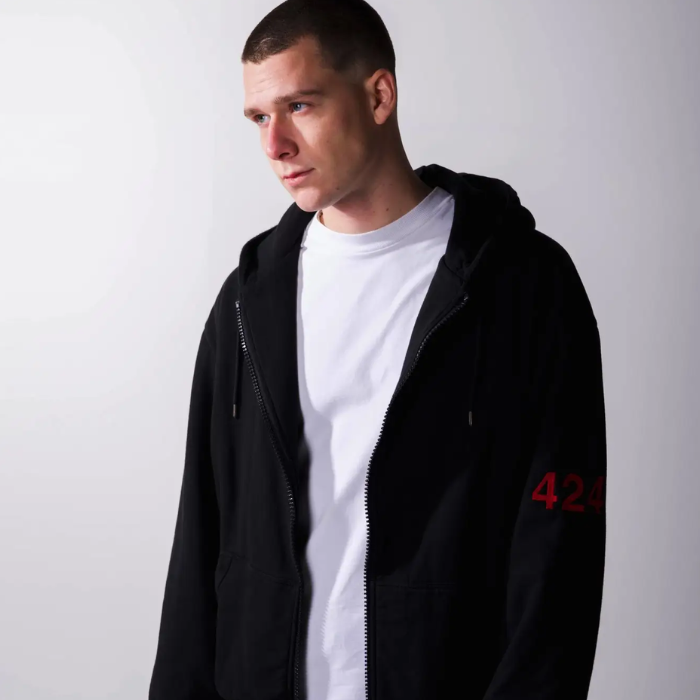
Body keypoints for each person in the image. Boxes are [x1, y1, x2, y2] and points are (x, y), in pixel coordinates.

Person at [148, 1, 607, 699]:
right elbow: (200, 541)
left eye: (299, 106)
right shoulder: (247, 303)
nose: (275, 144)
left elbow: (559, 557)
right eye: (258, 117)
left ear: (378, 96)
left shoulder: (521, 285)